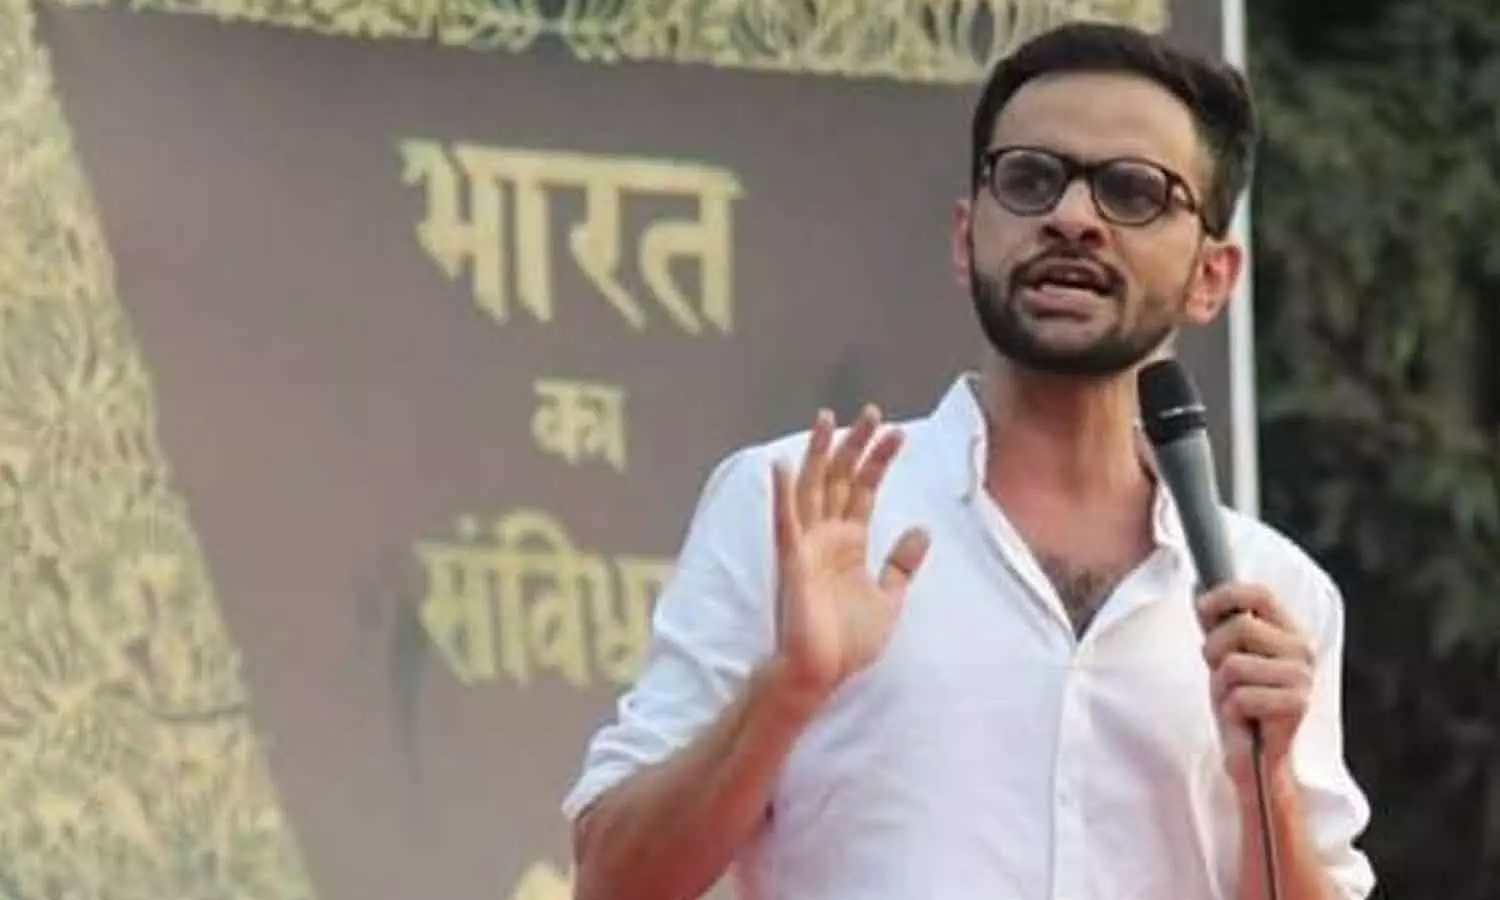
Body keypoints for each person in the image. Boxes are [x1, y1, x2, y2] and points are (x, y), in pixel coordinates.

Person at [561, 20, 1374, 900]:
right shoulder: (800, 508)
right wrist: (789, 690)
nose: (1072, 218)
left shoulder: (1271, 594)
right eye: (1030, 178)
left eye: (1132, 191)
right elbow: (612, 881)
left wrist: (1269, 782)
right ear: (965, 237)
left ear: (1212, 276)